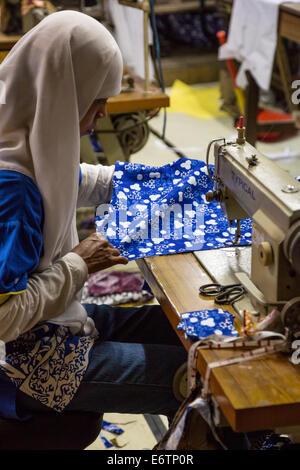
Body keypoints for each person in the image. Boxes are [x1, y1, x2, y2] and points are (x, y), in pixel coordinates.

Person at [0, 11, 187, 425]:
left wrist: (150, 181)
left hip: (49, 323)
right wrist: (82, 262)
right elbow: (5, 318)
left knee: (184, 330)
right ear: (62, 94)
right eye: (96, 101)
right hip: (22, 362)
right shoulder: (12, 193)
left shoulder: (14, 129)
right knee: (196, 378)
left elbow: (69, 178)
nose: (103, 113)